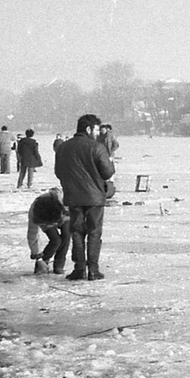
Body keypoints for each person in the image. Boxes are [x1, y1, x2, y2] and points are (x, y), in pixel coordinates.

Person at [55, 114, 116, 280]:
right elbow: (108, 172)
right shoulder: (96, 147)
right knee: (94, 233)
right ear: (88, 129)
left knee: (77, 232)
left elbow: (58, 172)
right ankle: (93, 270)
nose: (97, 133)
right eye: (96, 130)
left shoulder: (63, 148)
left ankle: (79, 268)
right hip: (95, 197)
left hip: (73, 197)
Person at [26, 187, 70, 275]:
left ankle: (59, 265)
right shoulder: (34, 213)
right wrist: (38, 257)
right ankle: (42, 263)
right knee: (56, 240)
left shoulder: (66, 200)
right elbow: (32, 235)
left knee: (67, 235)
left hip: (65, 216)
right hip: (49, 216)